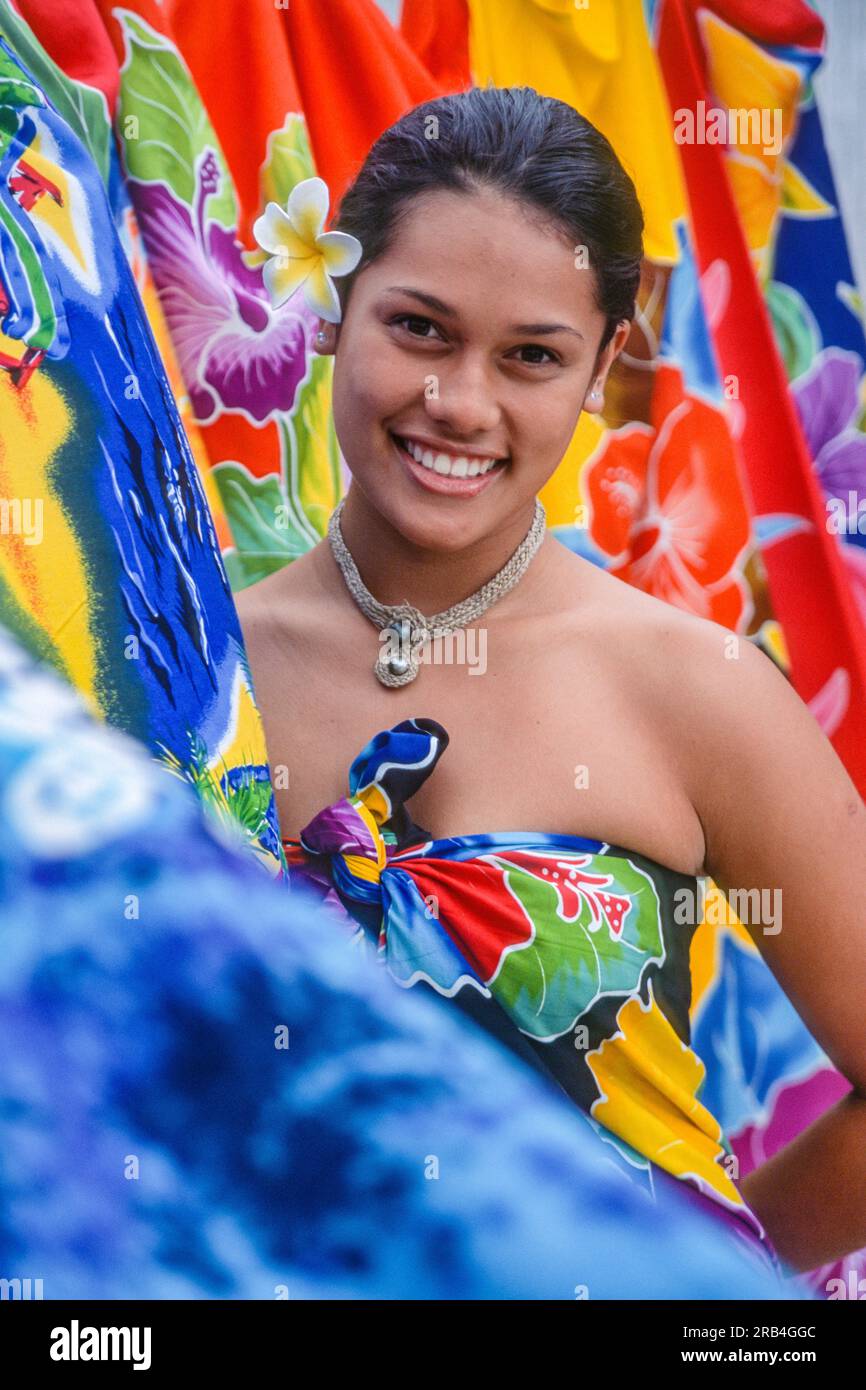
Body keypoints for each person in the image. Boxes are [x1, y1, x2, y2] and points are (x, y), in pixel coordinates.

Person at [237, 85, 866, 1278]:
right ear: (333, 307)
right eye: (417, 328)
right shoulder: (187, 661)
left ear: (600, 367)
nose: (460, 404)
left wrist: (690, 1260)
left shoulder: (695, 688)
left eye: (530, 355)